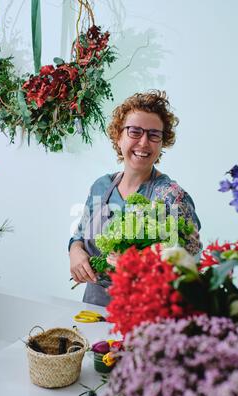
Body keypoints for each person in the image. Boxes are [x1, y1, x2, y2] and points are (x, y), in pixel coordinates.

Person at [68, 90, 202, 306]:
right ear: (118, 136)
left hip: (144, 312)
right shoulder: (101, 187)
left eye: (154, 134)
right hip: (93, 306)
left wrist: (142, 266)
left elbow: (191, 263)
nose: (144, 142)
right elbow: (80, 235)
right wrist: (75, 252)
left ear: (162, 142)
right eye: (134, 132)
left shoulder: (172, 196)